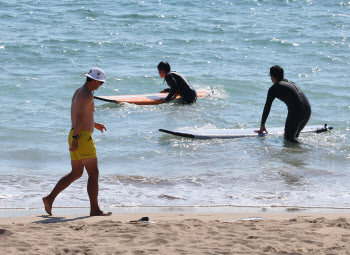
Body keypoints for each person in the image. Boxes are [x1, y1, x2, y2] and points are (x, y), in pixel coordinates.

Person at [43, 67, 112, 216]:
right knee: (94, 173)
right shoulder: (87, 95)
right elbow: (80, 118)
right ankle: (95, 210)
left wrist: (94, 124)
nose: (99, 86)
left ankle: (49, 199)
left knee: (76, 173)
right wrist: (76, 139)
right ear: (93, 80)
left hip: (74, 133)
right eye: (99, 83)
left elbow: (80, 114)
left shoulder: (78, 92)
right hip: (82, 137)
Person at [255, 65, 312, 143]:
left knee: (288, 139)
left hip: (297, 112)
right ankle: (301, 153)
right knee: (294, 137)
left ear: (272, 76)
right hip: (308, 110)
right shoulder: (291, 83)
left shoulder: (274, 88)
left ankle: (304, 150)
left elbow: (267, 107)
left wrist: (262, 125)